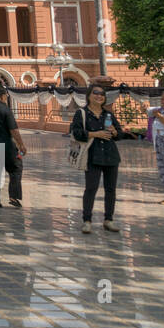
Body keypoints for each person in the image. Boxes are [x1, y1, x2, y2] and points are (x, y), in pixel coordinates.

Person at [70, 85, 124, 233]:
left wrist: (114, 132)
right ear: (89, 96)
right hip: (92, 156)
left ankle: (109, 219)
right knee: (91, 189)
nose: (99, 96)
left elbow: (120, 135)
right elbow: (76, 133)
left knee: (111, 189)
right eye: (96, 93)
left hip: (110, 156)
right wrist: (95, 134)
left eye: (102, 94)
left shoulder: (108, 115)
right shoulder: (82, 113)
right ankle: (87, 220)